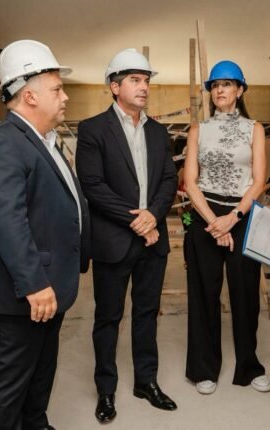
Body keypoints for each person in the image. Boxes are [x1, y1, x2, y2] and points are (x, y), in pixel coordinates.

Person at [0, 39, 90, 430]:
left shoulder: (44, 142)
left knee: (40, 369)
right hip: (22, 293)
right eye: (57, 89)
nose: (65, 97)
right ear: (29, 95)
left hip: (48, 287)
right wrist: (35, 283)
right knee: (9, 379)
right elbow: (7, 221)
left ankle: (36, 423)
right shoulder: (1, 144)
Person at [76, 48, 178, 424]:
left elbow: (169, 180)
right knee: (108, 317)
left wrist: (154, 216)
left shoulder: (158, 132)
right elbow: (93, 185)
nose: (144, 87)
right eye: (135, 80)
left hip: (153, 241)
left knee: (147, 314)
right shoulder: (92, 130)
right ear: (114, 86)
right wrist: (137, 220)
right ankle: (106, 389)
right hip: (114, 241)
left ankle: (145, 382)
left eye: (146, 80)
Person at [182, 60, 270, 395]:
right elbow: (190, 182)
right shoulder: (198, 129)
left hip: (241, 213)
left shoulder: (254, 128)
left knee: (245, 295)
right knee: (204, 293)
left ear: (240, 90)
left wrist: (232, 219)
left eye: (227, 84)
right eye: (215, 85)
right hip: (205, 213)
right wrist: (213, 222)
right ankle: (204, 369)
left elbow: (259, 180)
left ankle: (249, 366)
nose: (220, 90)